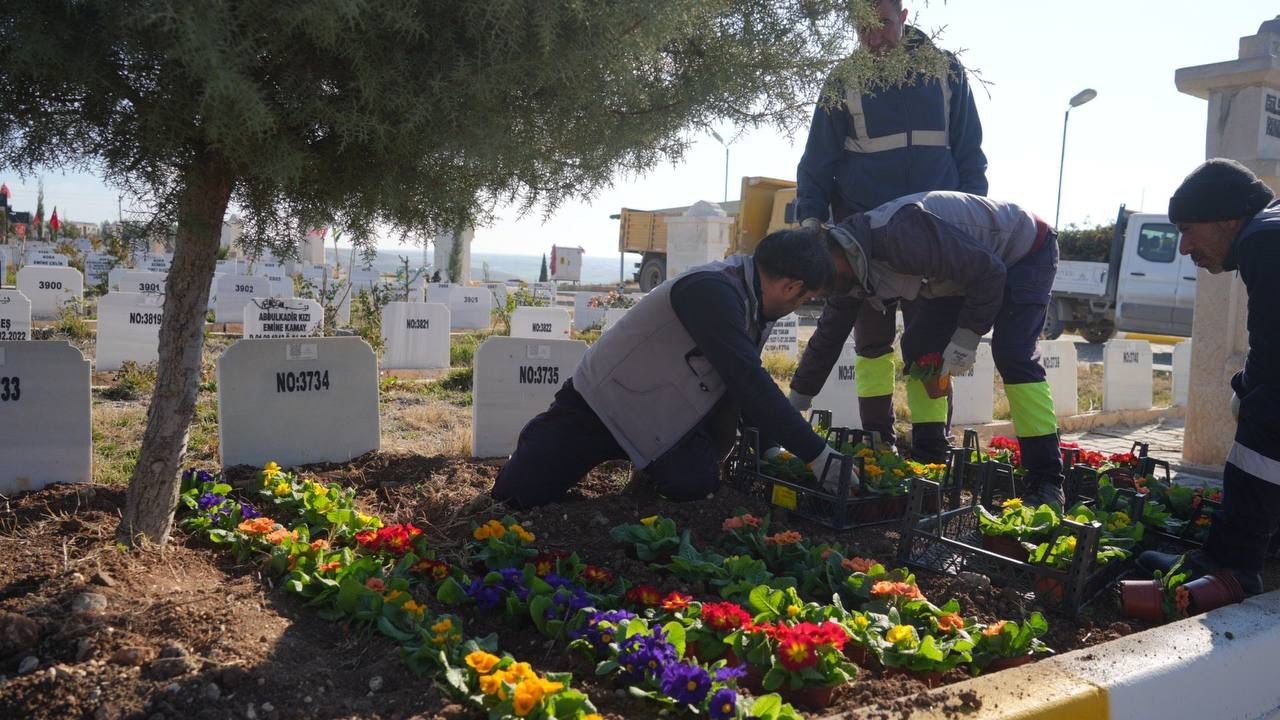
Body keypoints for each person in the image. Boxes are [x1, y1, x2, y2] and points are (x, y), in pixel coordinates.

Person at [490, 230, 845, 509]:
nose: (801, 307)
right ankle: (542, 443)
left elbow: (743, 386)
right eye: (805, 298)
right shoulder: (712, 291)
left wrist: (769, 448)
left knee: (695, 486)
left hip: (664, 420)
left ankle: (647, 473)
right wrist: (817, 455)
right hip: (603, 405)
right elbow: (748, 379)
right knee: (518, 495)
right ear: (791, 286)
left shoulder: (756, 304)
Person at [793, 0, 988, 461]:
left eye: (881, 23)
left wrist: (971, 220)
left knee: (928, 348)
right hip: (865, 243)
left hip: (936, 241)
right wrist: (811, 229)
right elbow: (816, 163)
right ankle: (878, 442)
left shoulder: (946, 71)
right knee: (872, 347)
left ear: (903, 14)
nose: (872, 36)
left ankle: (929, 445)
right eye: (861, 26)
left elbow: (970, 155)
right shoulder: (844, 78)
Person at [795, 190, 1064, 509]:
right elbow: (829, 334)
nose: (832, 292)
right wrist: (798, 397)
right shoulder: (843, 269)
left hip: (1024, 250)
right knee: (921, 347)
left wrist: (967, 336)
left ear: (836, 261)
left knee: (1013, 354)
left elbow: (990, 272)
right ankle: (931, 456)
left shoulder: (900, 237)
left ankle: (1046, 479)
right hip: (962, 271)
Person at [1138, 159, 1279, 596]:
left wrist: (1250, 395)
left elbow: (1274, 359)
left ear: (1227, 219)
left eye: (1187, 229)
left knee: (1262, 429)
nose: (1184, 248)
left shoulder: (1265, 240)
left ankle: (1229, 566)